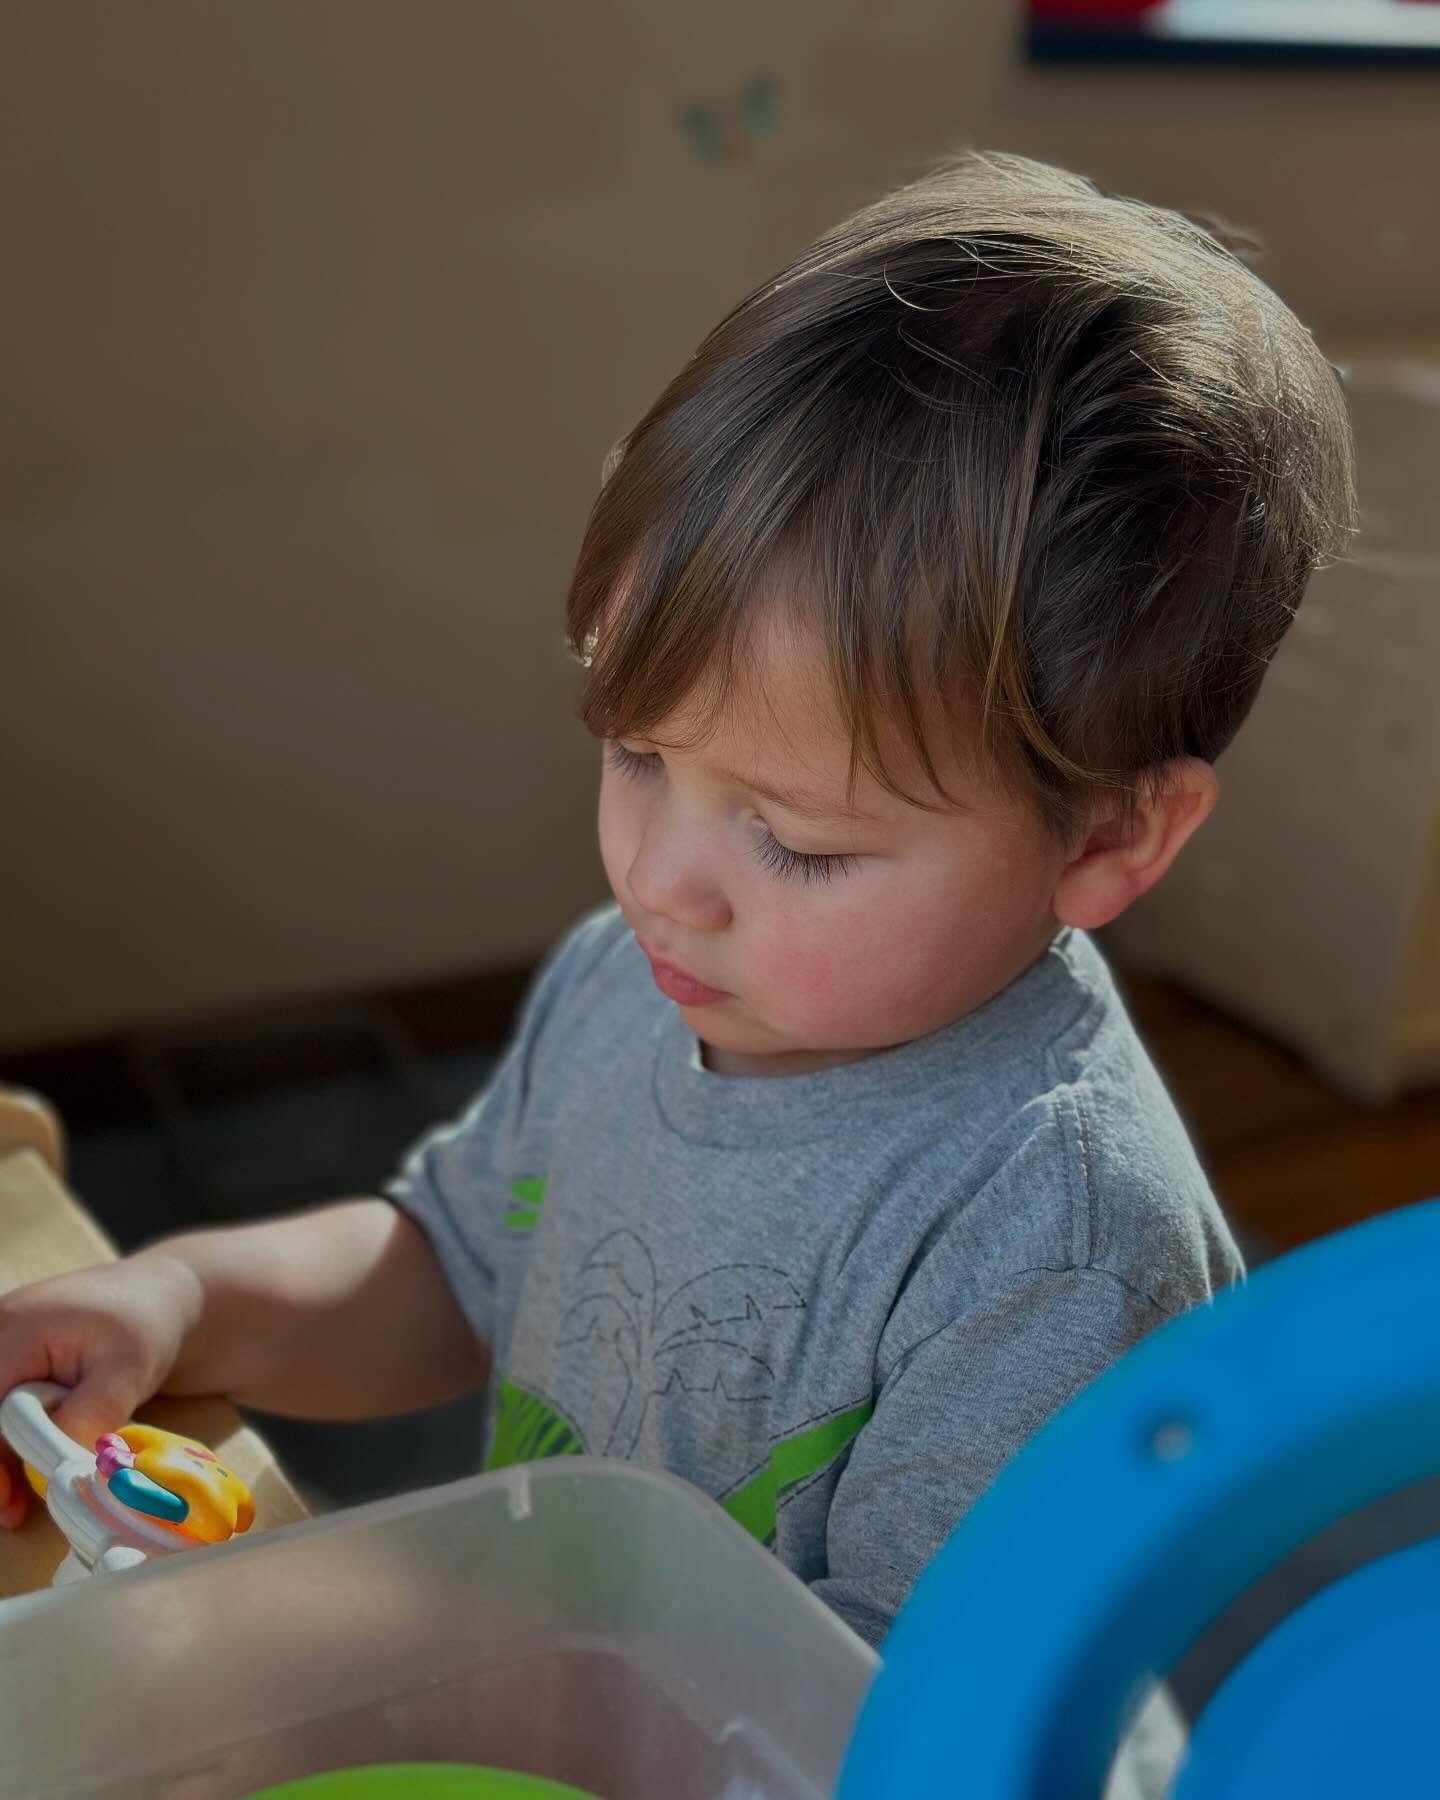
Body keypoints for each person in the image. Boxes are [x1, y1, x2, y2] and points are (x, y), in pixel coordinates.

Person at [0, 154, 1352, 1654]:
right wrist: (181, 1303)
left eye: (800, 842)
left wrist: (382, 1633)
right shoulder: (635, 978)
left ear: (1110, 833)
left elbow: (889, 1713)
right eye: (638, 756)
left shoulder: (1056, 1244)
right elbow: (451, 1266)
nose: (656, 879)